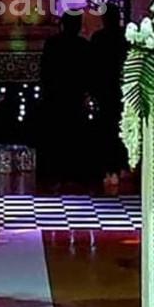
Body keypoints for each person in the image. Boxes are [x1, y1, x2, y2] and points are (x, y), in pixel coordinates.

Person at [39, 11, 92, 185]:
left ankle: (56, 173)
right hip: (73, 96)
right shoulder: (83, 45)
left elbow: (44, 71)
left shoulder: (53, 43)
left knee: (58, 135)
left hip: (57, 96)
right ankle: (73, 173)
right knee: (73, 135)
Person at [89, 4, 129, 193]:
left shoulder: (99, 38)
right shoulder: (124, 37)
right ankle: (120, 167)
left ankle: (109, 168)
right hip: (119, 90)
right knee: (118, 128)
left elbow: (93, 66)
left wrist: (92, 90)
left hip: (105, 90)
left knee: (107, 129)